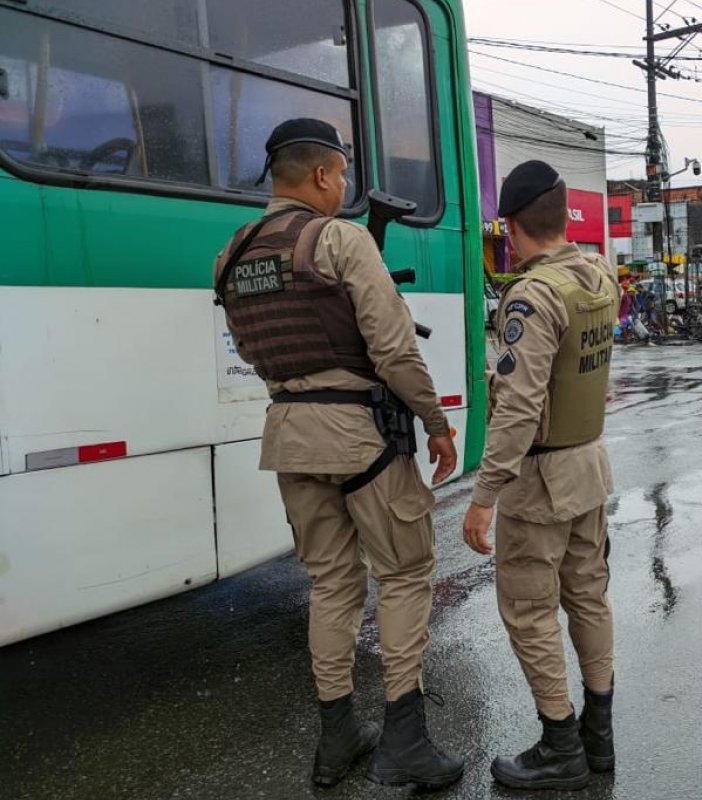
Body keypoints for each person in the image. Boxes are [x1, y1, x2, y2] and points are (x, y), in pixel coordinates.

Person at [213, 119, 462, 791]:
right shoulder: (341, 240)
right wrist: (436, 422)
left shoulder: (232, 256)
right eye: (342, 176)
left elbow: (255, 352)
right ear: (323, 175)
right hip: (362, 436)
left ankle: (336, 738)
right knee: (407, 573)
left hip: (289, 435)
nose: (344, 187)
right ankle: (405, 740)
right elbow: (393, 349)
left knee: (331, 583)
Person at [461, 160, 619, 792]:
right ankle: (598, 736)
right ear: (562, 216)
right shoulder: (598, 276)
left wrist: (482, 497)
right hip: (589, 467)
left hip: (540, 479)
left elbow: (520, 408)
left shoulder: (532, 294)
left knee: (529, 611)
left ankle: (560, 745)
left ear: (511, 225)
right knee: (588, 595)